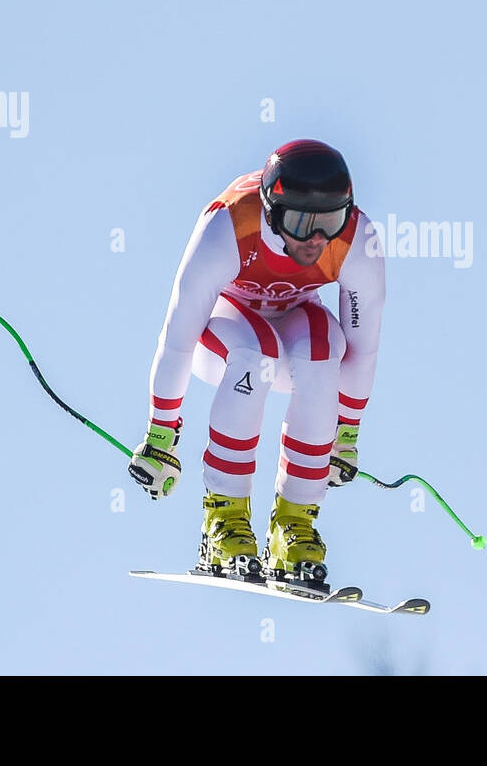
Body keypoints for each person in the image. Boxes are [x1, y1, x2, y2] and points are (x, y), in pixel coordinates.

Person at [127, 140, 384, 590]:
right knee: (257, 353)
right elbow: (177, 338)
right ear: (270, 211)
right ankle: (223, 521)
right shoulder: (228, 224)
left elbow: (364, 350)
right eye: (301, 223)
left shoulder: (357, 240)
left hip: (294, 318)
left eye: (330, 222)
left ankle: (294, 525)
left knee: (325, 350)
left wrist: (346, 435)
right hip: (226, 330)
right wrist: (160, 434)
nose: (316, 240)